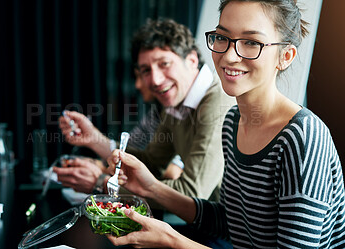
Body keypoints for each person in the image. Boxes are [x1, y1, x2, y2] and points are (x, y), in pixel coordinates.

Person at [106, 0, 345, 248]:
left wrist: (173, 241)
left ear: (285, 56)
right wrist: (152, 188)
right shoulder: (233, 121)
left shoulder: (301, 137)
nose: (229, 56)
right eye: (222, 37)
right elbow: (232, 223)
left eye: (251, 42)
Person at [58, 18, 235, 199]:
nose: (155, 80)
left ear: (191, 60)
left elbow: (192, 193)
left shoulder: (218, 102)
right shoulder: (176, 103)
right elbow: (152, 163)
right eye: (146, 70)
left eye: (164, 64)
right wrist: (94, 139)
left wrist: (102, 184)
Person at [54, 72, 184, 194]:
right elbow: (133, 155)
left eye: (143, 74)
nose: (138, 85)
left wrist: (101, 179)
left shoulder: (178, 113)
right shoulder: (155, 114)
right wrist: (93, 141)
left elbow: (171, 173)